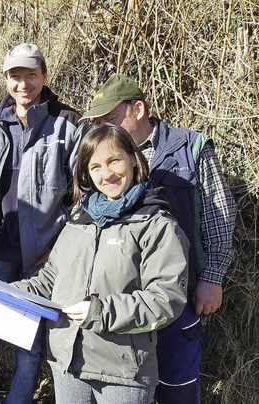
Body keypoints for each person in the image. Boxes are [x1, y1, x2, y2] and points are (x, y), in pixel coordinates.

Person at [80, 74, 237, 403]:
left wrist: (212, 277)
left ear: (138, 109)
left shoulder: (189, 148)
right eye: (98, 122)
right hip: (117, 307)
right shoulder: (102, 161)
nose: (104, 128)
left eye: (110, 118)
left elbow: (219, 215)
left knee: (176, 389)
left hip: (176, 301)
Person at [13, 123, 189, 404]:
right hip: (67, 361)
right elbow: (51, 280)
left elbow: (166, 299)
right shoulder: (79, 219)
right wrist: (5, 293)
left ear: (133, 159)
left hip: (122, 371)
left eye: (113, 161)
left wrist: (101, 312)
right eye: (95, 167)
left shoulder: (156, 225)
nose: (106, 174)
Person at [0, 43, 84, 403]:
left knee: (29, 344)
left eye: (31, 74)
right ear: (6, 79)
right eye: (16, 75)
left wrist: (59, 250)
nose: (23, 83)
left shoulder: (67, 123)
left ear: (44, 76)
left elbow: (82, 193)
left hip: (41, 259)